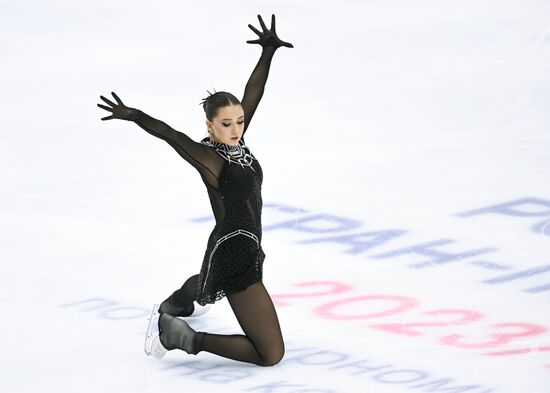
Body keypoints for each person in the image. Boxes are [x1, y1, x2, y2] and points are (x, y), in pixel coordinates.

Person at [97, 14, 294, 367]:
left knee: (207, 279)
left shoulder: (237, 142)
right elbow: (172, 135)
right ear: (210, 125)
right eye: (226, 124)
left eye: (240, 122)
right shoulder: (210, 158)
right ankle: (181, 336)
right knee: (270, 354)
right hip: (236, 252)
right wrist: (136, 114)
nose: (236, 129)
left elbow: (253, 94)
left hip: (243, 243)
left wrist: (267, 52)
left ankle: (176, 303)